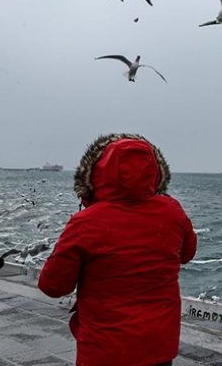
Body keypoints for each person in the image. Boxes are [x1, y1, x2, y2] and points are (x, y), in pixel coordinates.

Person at [39, 133, 198, 366]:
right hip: (158, 345)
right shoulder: (172, 211)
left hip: (105, 350)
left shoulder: (86, 223)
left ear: (100, 172)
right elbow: (187, 254)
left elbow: (52, 286)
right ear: (154, 171)